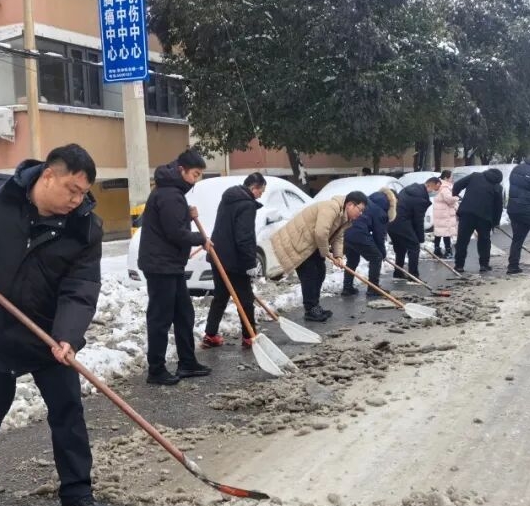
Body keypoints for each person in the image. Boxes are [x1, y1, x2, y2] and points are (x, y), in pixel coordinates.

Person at [0, 144, 110, 506]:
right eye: (72, 189)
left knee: (67, 410)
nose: (78, 200)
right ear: (48, 175)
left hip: (47, 334)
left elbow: (80, 287)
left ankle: (77, 492)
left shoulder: (85, 228)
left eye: (83, 193)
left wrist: (67, 336)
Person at [137, 149, 212, 386]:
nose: (196, 180)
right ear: (181, 170)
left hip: (170, 265)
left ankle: (187, 362)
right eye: (195, 174)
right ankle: (156, 370)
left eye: (200, 175)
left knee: (183, 313)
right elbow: (174, 233)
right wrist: (200, 239)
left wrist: (187, 216)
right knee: (160, 317)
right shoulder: (170, 194)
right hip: (160, 266)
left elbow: (171, 222)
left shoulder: (172, 192)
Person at [269, 191, 368, 322]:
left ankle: (315, 306)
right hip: (300, 242)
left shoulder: (344, 217)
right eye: (359, 210)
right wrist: (325, 252)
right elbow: (321, 233)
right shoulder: (331, 207)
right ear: (350, 205)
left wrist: (338, 255)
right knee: (310, 275)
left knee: (320, 272)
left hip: (312, 244)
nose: (360, 214)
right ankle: (310, 310)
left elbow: (338, 236)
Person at [202, 173, 266, 350]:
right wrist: (250, 264)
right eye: (261, 191)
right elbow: (244, 237)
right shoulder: (246, 204)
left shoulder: (229, 198)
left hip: (218, 257)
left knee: (221, 296)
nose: (261, 195)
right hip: (235, 260)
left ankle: (210, 334)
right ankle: (249, 336)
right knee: (245, 298)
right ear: (254, 188)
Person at [341, 188, 397, 299]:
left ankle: (347, 288)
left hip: (346, 232)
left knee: (352, 260)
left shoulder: (368, 201)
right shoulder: (380, 211)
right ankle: (373, 289)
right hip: (358, 233)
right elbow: (378, 236)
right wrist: (382, 254)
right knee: (376, 258)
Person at [452, 168, 504, 273]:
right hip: (484, 217)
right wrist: (495, 222)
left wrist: (455, 193)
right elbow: (498, 207)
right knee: (484, 241)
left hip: (467, 213)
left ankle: (459, 265)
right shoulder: (497, 187)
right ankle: (484, 265)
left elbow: (457, 185)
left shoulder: (475, 176)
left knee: (462, 240)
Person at [388, 177, 439, 280]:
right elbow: (418, 220)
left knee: (400, 248)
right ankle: (413, 275)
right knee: (414, 246)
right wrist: (420, 238)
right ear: (429, 185)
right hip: (401, 222)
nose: (435, 192)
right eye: (435, 189)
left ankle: (398, 272)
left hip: (391, 221)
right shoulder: (420, 198)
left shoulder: (410, 189)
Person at [431, 169, 459, 258]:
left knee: (439, 232)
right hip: (445, 213)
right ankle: (448, 251)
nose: (452, 179)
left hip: (440, 212)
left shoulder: (440, 185)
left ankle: (437, 249)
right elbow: (449, 199)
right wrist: (456, 198)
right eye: (451, 177)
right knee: (446, 232)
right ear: (446, 177)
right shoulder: (445, 187)